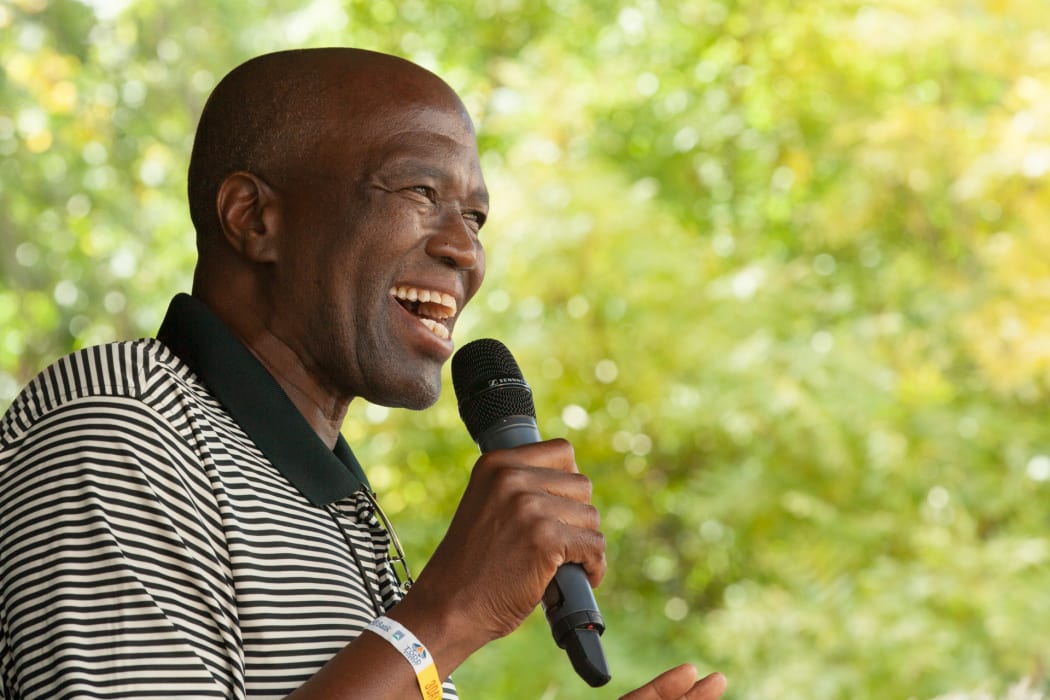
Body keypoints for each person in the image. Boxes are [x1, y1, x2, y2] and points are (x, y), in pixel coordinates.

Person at [0, 48, 726, 700]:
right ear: (254, 218)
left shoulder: (336, 506)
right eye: (419, 192)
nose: (464, 250)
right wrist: (448, 615)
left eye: (475, 216)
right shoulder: (118, 424)